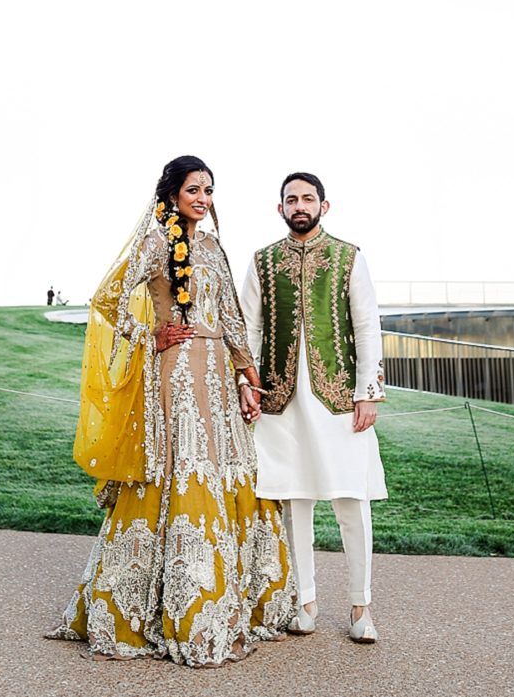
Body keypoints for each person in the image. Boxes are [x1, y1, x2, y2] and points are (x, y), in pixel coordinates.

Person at [48, 155, 296, 665]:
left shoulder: (210, 245)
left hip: (219, 374)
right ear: (172, 193)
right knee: (181, 470)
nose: (203, 199)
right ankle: (166, 606)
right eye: (193, 190)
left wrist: (248, 371)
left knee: (230, 471)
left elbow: (229, 312)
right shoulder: (157, 240)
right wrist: (151, 335)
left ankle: (234, 601)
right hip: (177, 373)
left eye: (208, 190)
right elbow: (109, 298)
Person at [240, 171, 386, 643]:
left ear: (325, 206)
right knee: (292, 502)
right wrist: (249, 383)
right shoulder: (263, 262)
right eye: (290, 199)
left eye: (307, 198)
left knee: (352, 503)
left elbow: (367, 328)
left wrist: (368, 392)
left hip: (340, 400)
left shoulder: (349, 258)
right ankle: (305, 602)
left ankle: (361, 608)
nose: (298, 205)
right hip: (281, 403)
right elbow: (249, 330)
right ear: (279, 208)